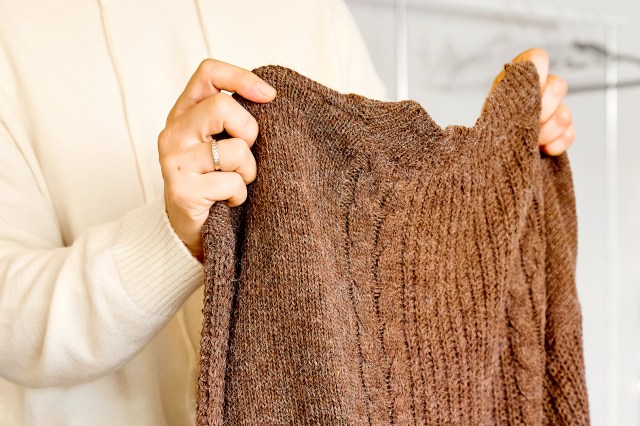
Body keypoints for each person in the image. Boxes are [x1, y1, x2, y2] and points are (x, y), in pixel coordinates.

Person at [0, 0, 575, 424]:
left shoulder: (310, 11)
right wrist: (173, 235)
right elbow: (10, 322)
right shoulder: (16, 32)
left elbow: (386, 246)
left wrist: (489, 162)